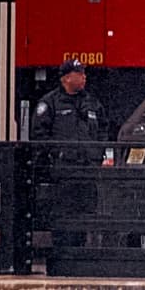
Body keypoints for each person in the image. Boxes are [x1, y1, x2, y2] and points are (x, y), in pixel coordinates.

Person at [32, 57, 109, 248]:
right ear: (66, 78)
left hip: (87, 172)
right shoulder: (50, 103)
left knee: (85, 216)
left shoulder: (92, 102)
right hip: (63, 172)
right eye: (79, 73)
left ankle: (80, 254)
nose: (84, 77)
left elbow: (103, 129)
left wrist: (96, 155)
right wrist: (55, 155)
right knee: (62, 217)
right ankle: (61, 254)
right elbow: (39, 135)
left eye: (84, 73)